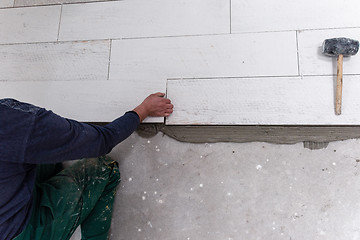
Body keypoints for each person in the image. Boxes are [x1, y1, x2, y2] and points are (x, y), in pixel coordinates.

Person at [0, 92, 173, 240]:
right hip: (19, 233)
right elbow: (101, 141)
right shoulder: (15, 124)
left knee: (45, 154)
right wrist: (143, 110)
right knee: (102, 168)